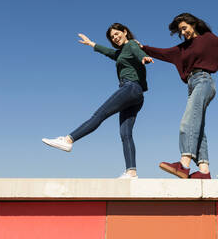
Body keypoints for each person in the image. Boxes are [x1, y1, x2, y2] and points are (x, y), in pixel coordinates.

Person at [138, 7, 218, 179]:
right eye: (180, 31)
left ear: (193, 24)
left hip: (204, 81)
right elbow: (163, 53)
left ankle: (183, 164)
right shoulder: (182, 49)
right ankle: (204, 171)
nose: (183, 32)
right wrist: (142, 47)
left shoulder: (208, 39)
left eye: (185, 28)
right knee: (197, 126)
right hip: (192, 85)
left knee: (187, 122)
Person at [42, 23, 153, 179]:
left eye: (116, 34)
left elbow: (136, 50)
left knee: (99, 114)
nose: (115, 38)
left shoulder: (132, 45)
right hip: (137, 95)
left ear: (125, 32)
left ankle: (68, 140)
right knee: (125, 133)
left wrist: (144, 57)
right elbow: (108, 52)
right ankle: (131, 172)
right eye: (112, 37)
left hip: (130, 88)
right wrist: (91, 43)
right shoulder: (122, 52)